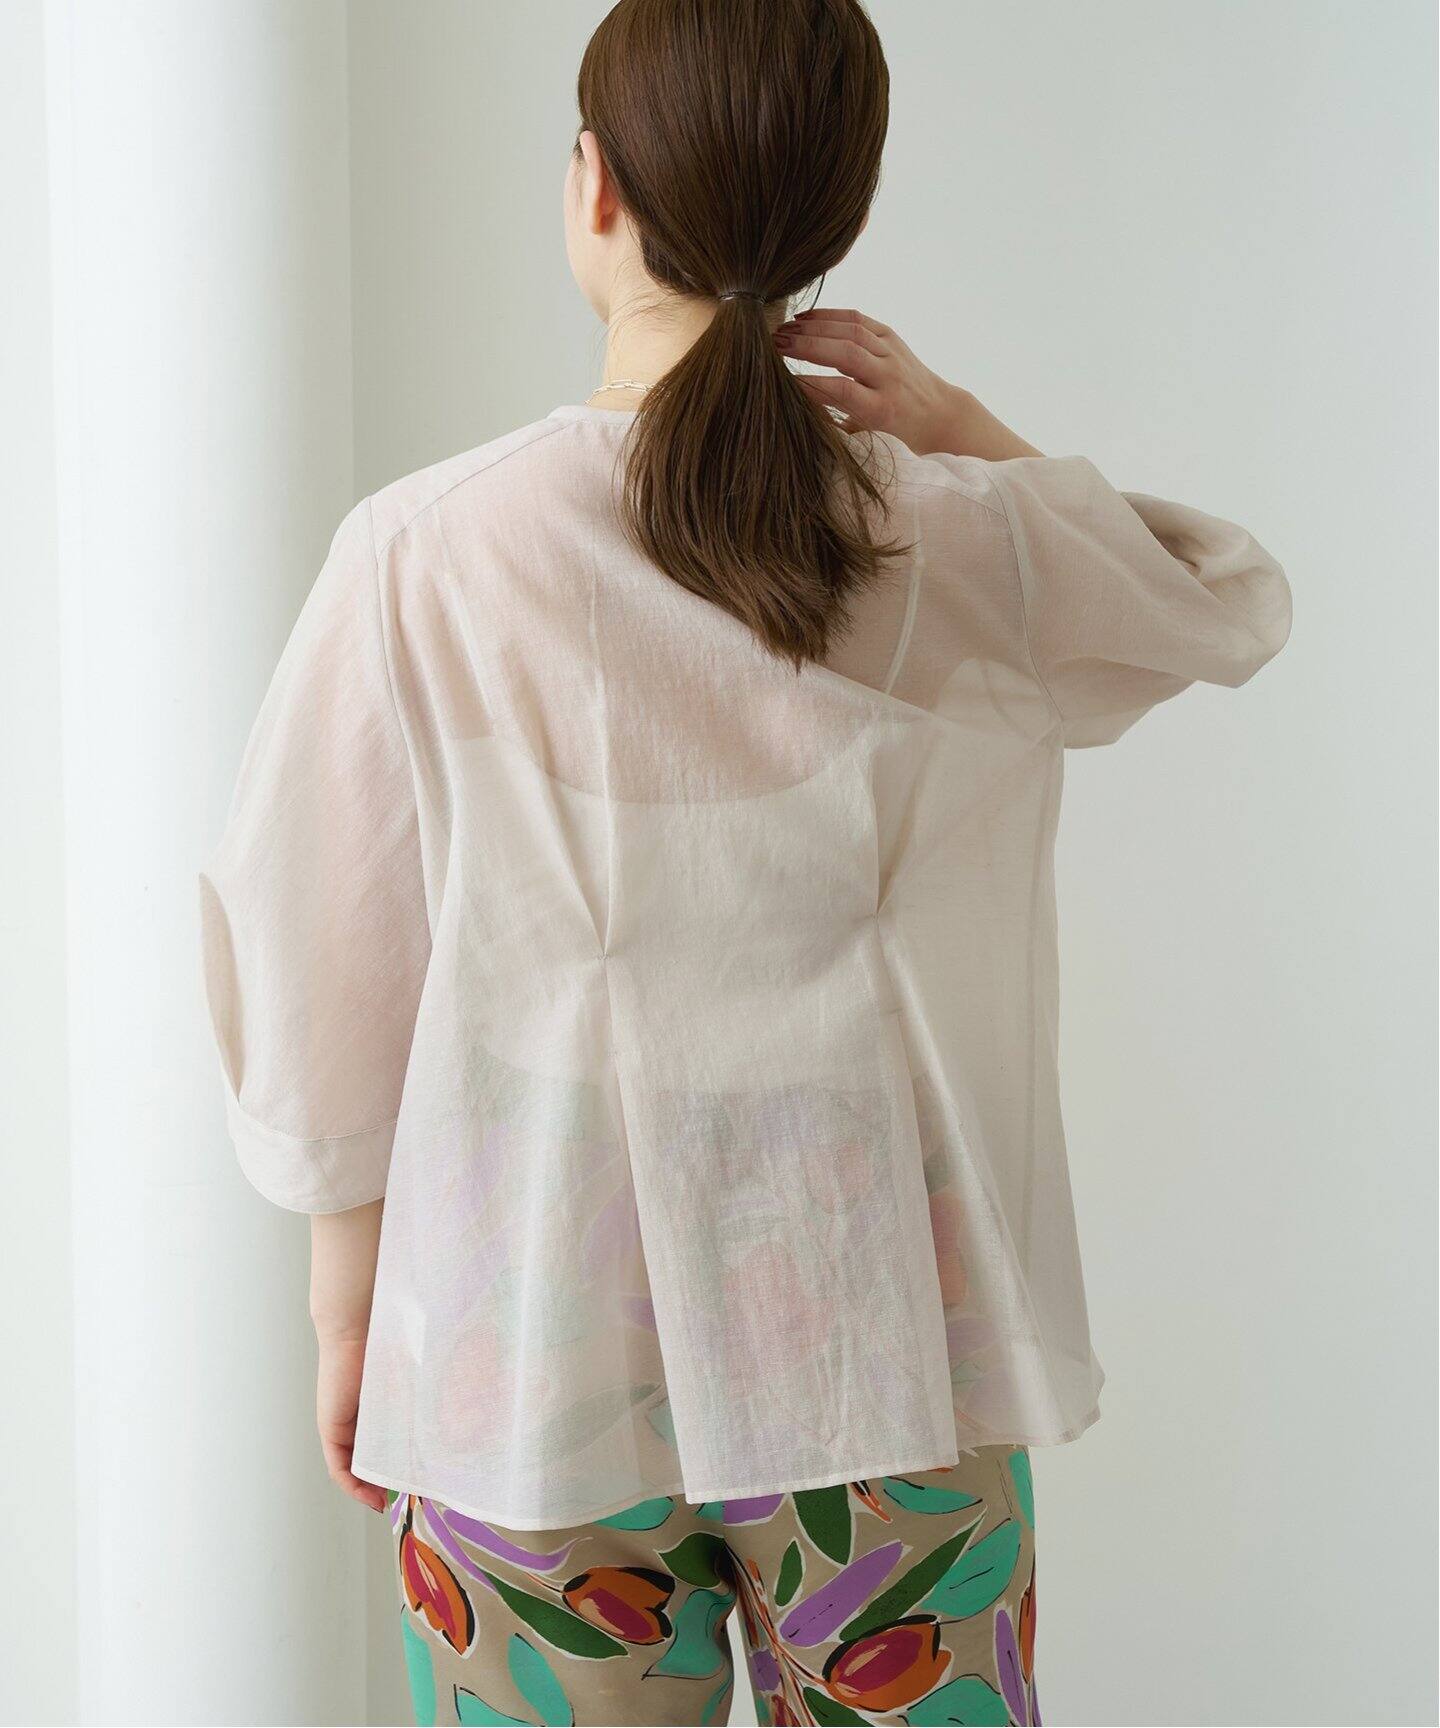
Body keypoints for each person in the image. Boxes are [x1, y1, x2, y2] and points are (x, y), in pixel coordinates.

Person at [198, 1, 1292, 1722]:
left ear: (596, 187)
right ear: (830, 216)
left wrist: (349, 1307)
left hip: (521, 1345)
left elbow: (318, 950)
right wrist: (961, 427)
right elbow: (1214, 606)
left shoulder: (426, 550)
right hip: (883, 1335)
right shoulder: (936, 529)